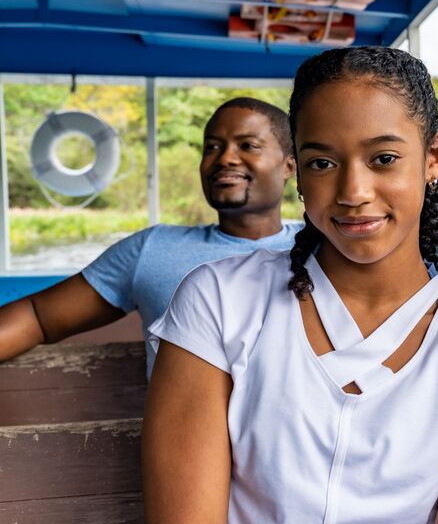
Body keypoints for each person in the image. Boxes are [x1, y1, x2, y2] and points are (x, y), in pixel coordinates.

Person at [142, 47, 438, 524]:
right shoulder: (218, 301)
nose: (354, 193)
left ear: (432, 158)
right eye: (323, 162)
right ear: (298, 173)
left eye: (383, 159)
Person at [0, 98, 301, 378]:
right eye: (211, 147)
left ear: (289, 165)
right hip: (186, 434)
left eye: (247, 145)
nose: (224, 159)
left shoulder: (321, 247)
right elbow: (38, 317)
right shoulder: (154, 249)